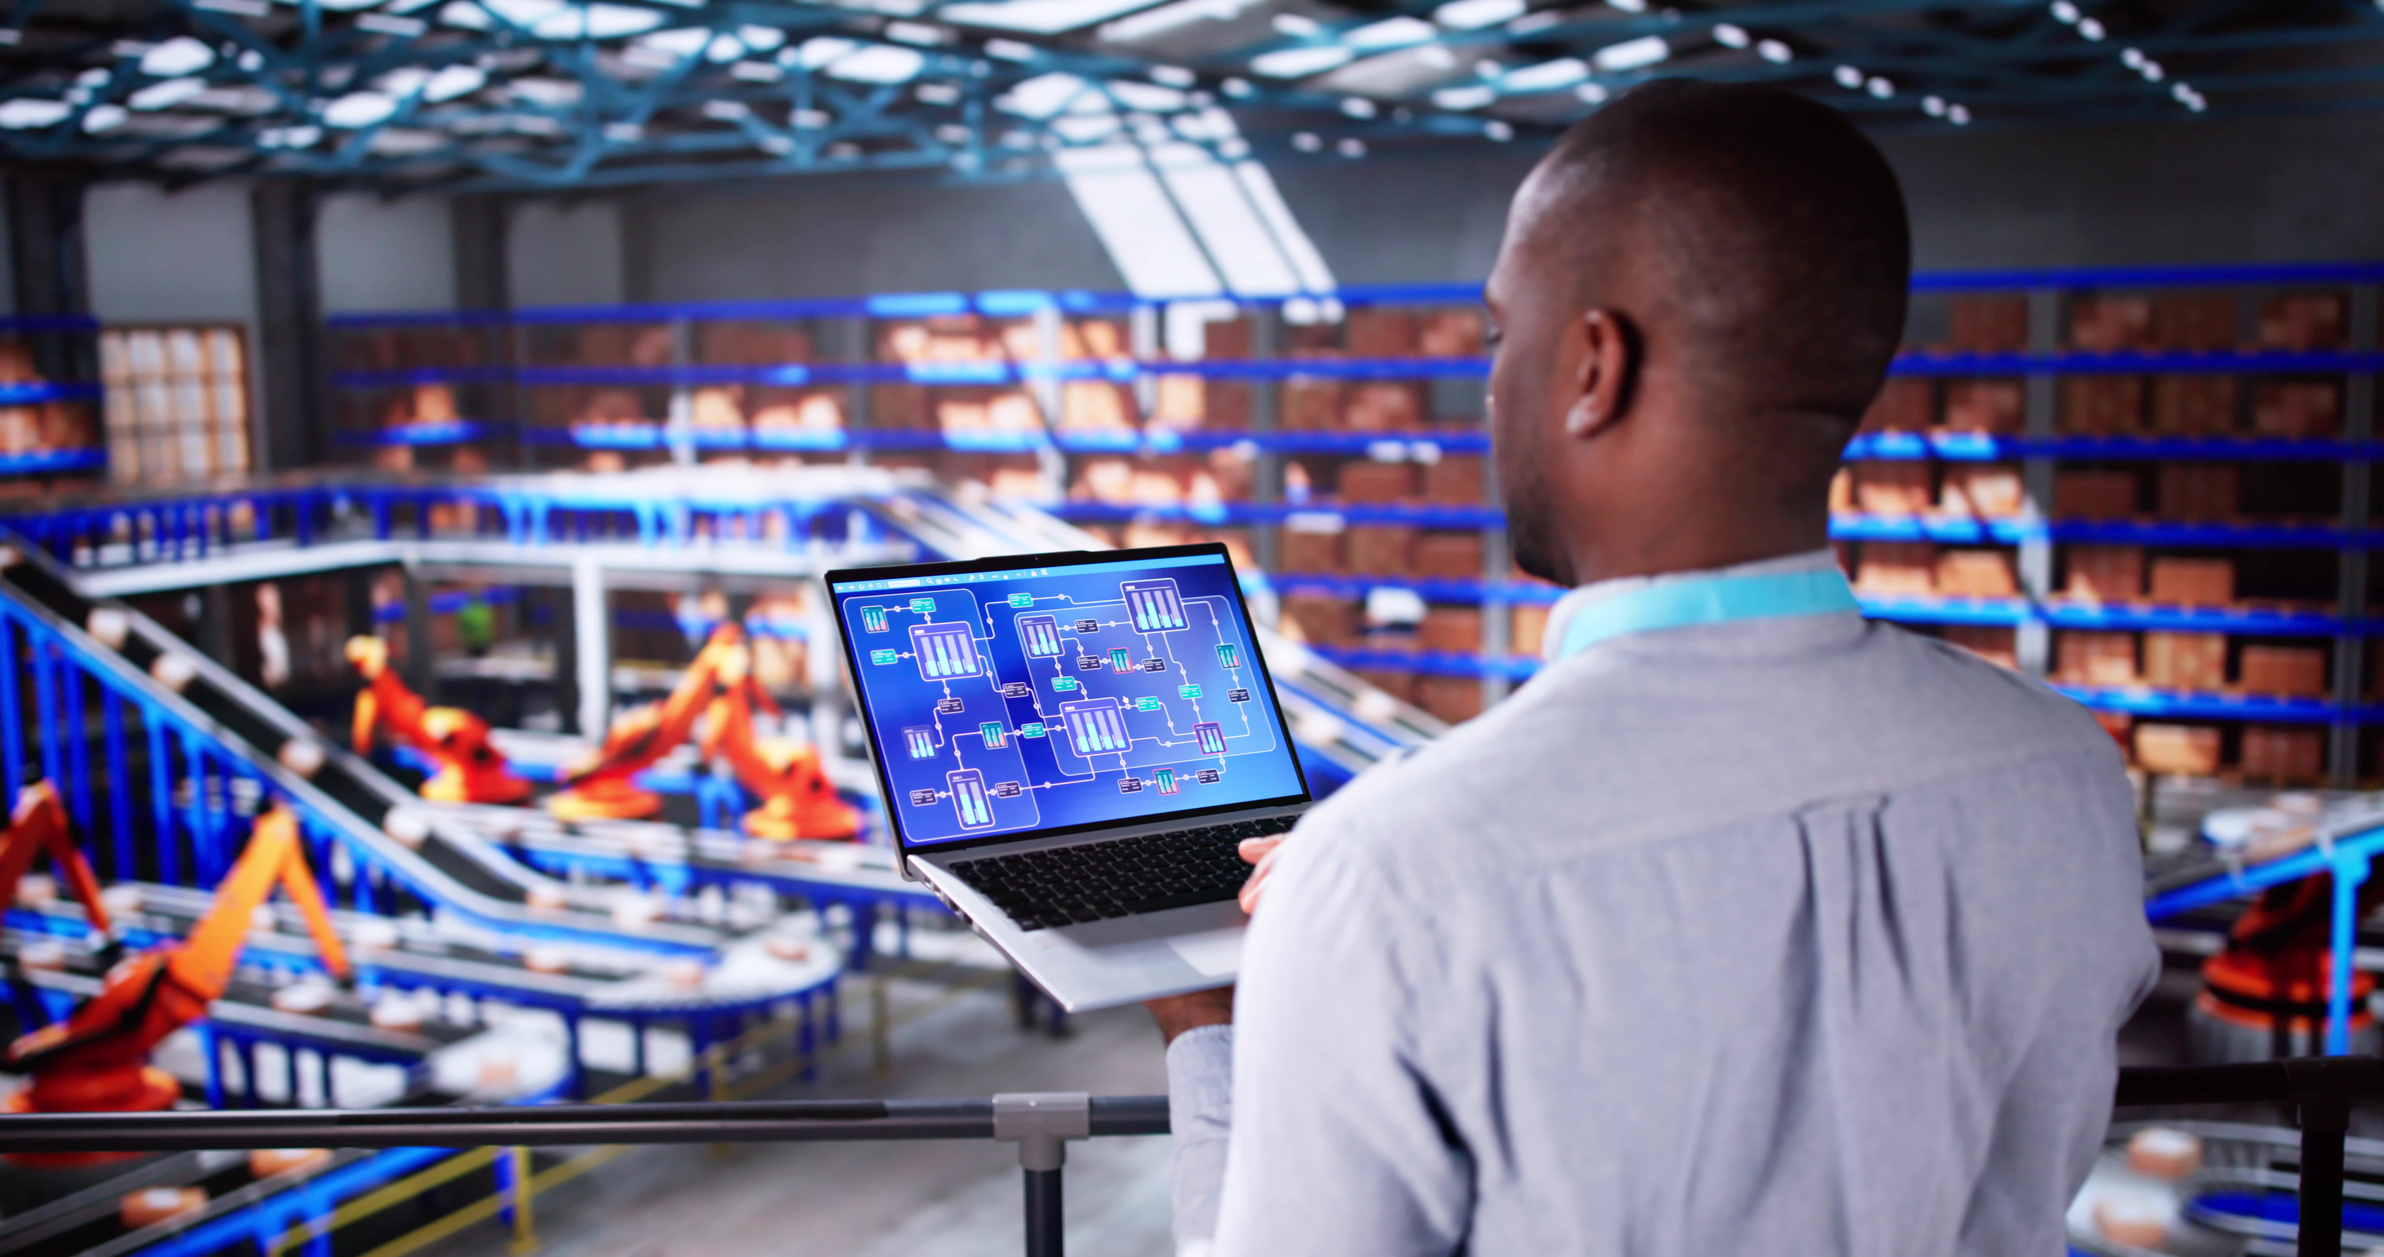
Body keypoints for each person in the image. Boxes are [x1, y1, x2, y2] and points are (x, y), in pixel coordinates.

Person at [1149, 80, 2158, 1256]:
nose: (1488, 386)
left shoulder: (1397, 875)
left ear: (1590, 366)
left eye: (1496, 334)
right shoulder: (2060, 773)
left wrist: (1211, 1028)